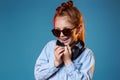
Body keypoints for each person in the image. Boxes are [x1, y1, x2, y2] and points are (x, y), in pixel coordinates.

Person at [34, 0, 95, 80]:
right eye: (57, 31)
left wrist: (68, 62)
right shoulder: (49, 47)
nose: (61, 35)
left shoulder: (87, 55)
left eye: (66, 31)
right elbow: (38, 76)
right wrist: (55, 63)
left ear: (78, 29)